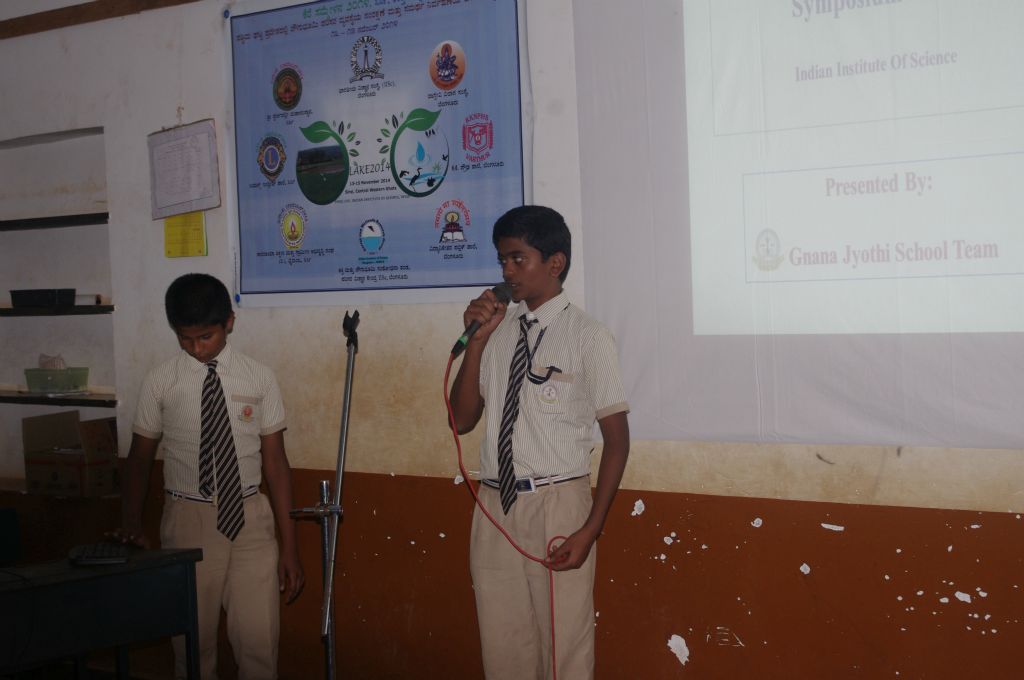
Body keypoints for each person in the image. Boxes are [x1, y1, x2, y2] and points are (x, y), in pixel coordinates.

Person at [448, 205, 630, 679]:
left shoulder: (589, 336)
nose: (507, 272)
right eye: (502, 260)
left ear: (555, 262)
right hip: (495, 504)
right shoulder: (497, 333)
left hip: (557, 504)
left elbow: (617, 442)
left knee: (562, 647)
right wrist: (476, 342)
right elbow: (462, 419)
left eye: (517, 259)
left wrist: (590, 528)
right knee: (502, 644)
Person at [117, 273, 304, 680]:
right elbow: (140, 458)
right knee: (193, 646)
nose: (197, 348)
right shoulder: (161, 381)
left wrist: (290, 547)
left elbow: (276, 463)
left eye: (206, 337)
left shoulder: (259, 378)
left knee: (259, 643)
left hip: (252, 519)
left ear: (229, 322)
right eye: (185, 339)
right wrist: (131, 521)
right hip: (189, 520)